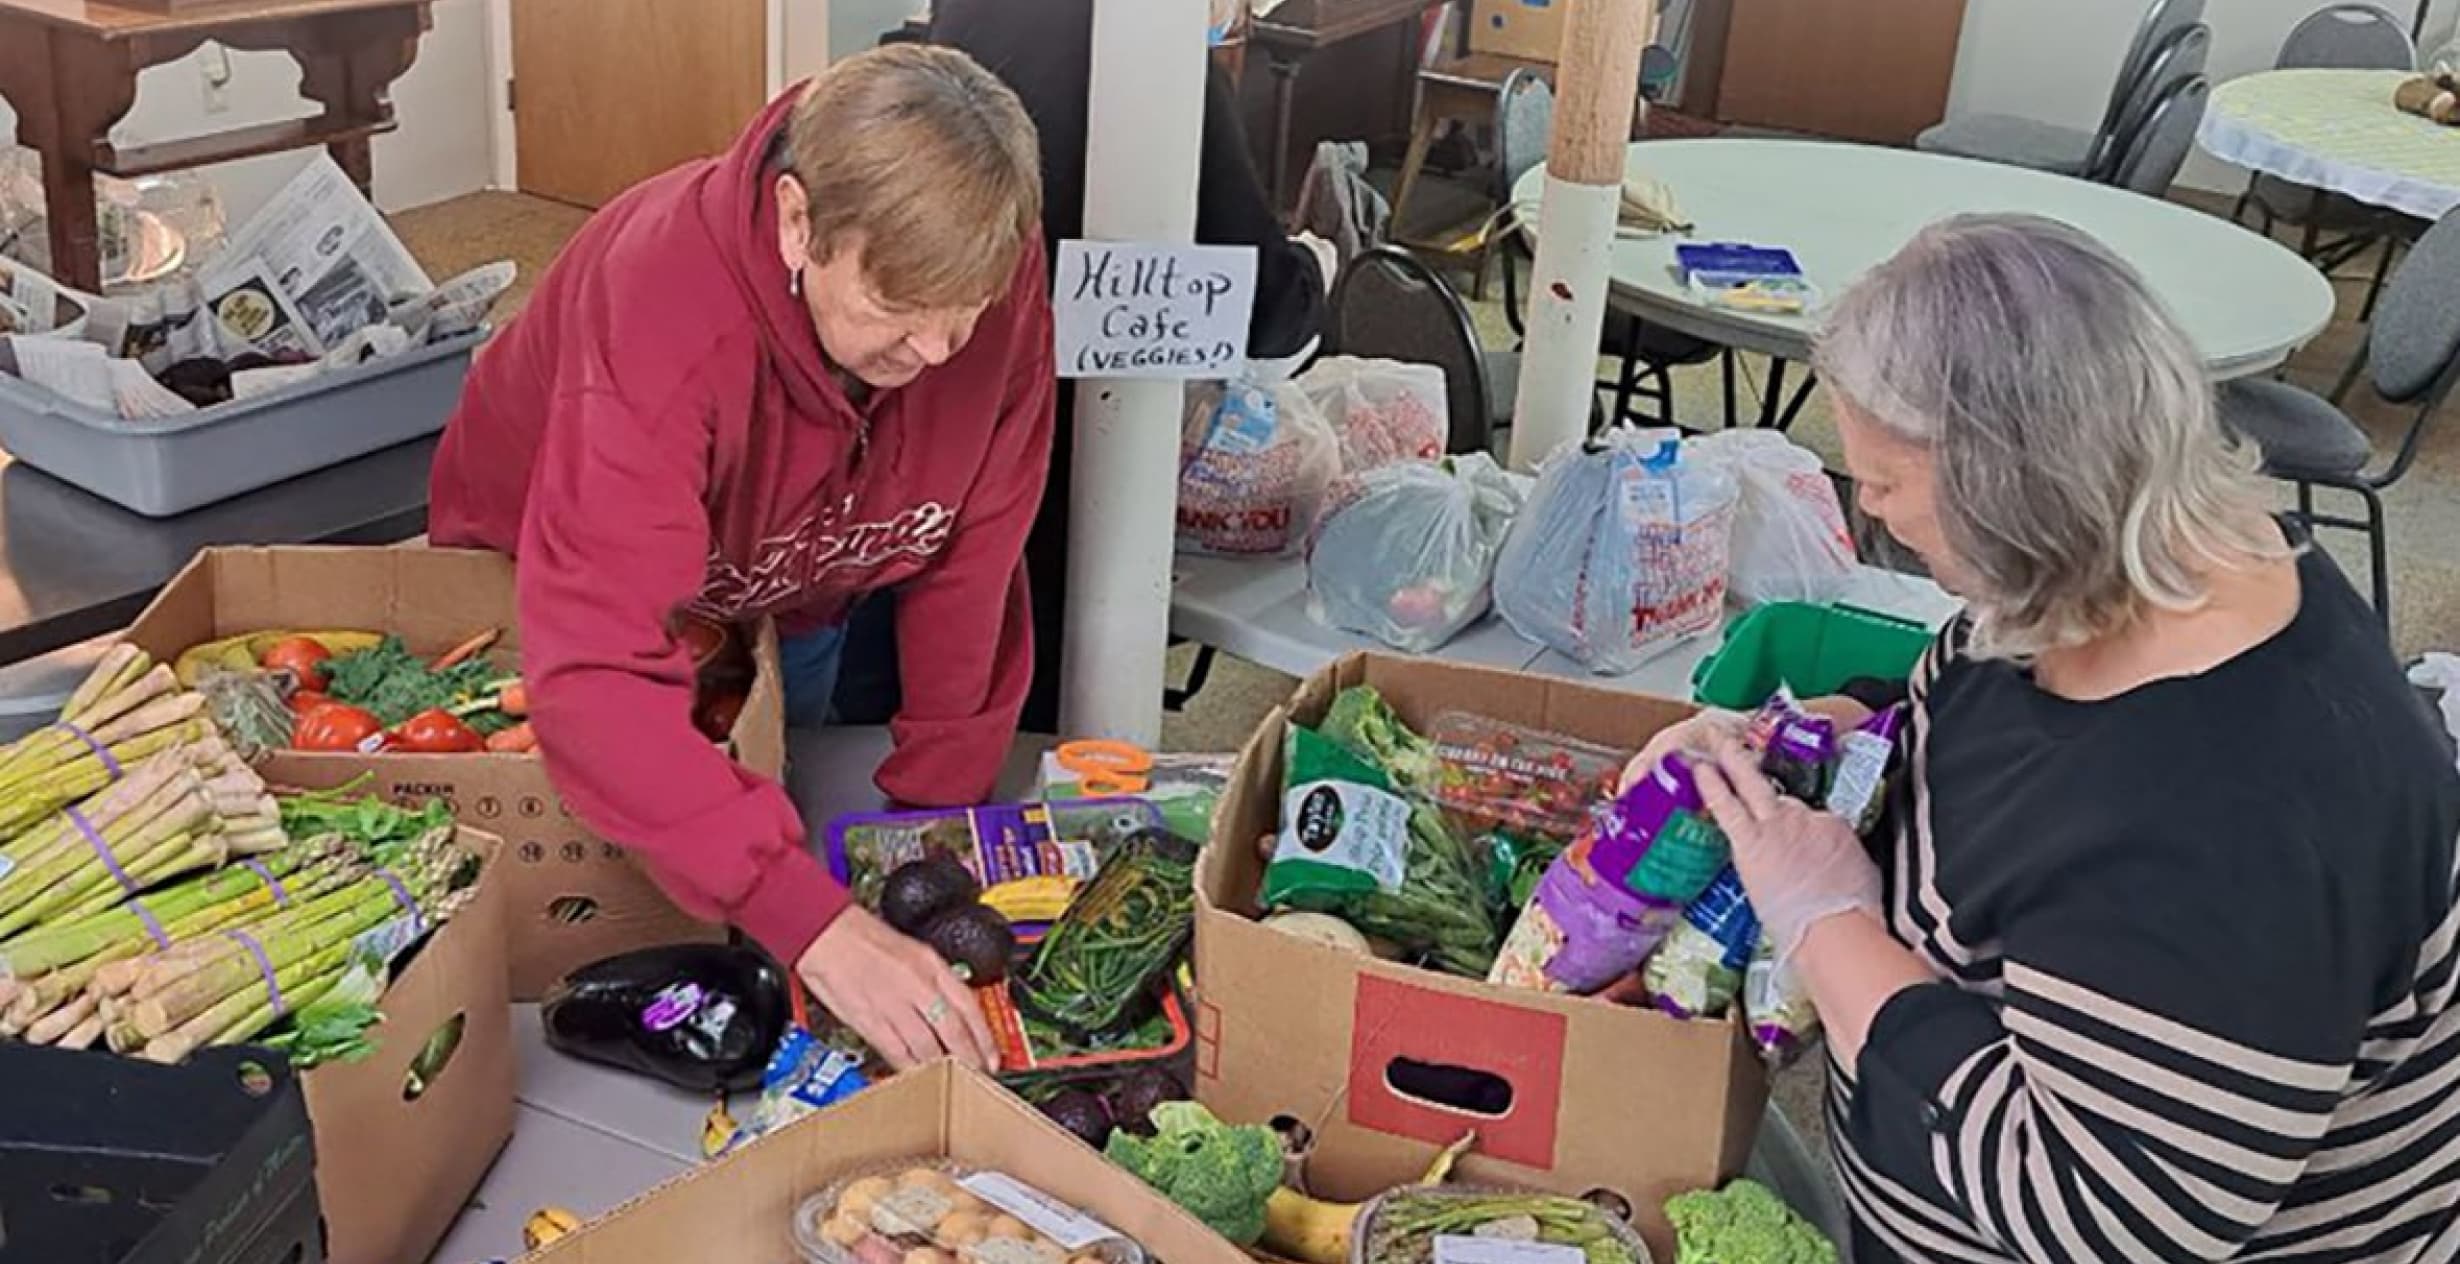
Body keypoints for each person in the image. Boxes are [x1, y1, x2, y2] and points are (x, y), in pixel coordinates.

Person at [1635, 215, 2460, 1261]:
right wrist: (1830, 728)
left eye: (1883, 482)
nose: (1872, 514)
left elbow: (2101, 1216)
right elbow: (1975, 705)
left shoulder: (2232, 818)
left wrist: (1829, 921)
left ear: (2012, 489)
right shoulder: (2115, 567)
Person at [427, 45, 1056, 1071]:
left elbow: (974, 551)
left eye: (967, 316)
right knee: (581, 913)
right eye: (898, 314)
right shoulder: (660, 307)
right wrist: (805, 915)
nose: (941, 354)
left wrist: (930, 825)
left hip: (789, 569)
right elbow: (593, 672)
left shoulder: (985, 271)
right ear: (797, 220)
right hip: (554, 579)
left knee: (778, 769)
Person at [928, 0, 1327, 733]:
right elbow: (1267, 312)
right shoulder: (1160, 48)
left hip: (936, 405)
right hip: (1067, 451)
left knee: (940, 662)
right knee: (1046, 699)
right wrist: (1313, 272)